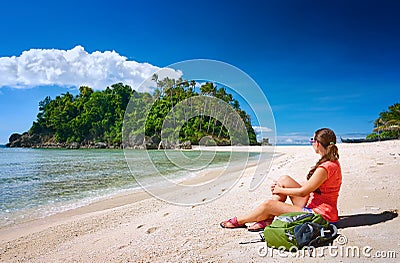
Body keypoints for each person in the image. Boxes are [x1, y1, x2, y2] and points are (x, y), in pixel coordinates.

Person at [220, 128, 342, 232]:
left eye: (312, 140)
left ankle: (240, 221)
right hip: (316, 206)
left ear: (318, 144)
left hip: (320, 216)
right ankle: (268, 219)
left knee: (268, 204)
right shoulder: (332, 163)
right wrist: (282, 187)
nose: (311, 143)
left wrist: (280, 190)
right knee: (284, 179)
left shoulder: (325, 168)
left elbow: (303, 192)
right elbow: (315, 186)